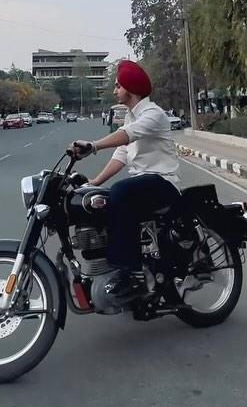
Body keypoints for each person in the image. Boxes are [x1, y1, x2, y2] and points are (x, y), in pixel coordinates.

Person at [70, 59, 180, 308]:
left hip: (163, 183)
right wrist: (93, 182)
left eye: (118, 86)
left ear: (130, 88)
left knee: (120, 191)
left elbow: (127, 136)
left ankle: (129, 272)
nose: (114, 90)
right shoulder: (130, 118)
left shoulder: (153, 114)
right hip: (144, 184)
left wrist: (93, 146)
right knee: (103, 198)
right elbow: (121, 155)